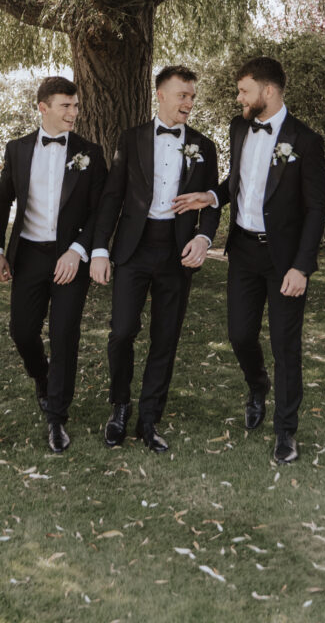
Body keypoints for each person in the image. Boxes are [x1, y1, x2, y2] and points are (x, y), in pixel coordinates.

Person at [173, 56, 325, 464]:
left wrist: (302, 266)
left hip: (283, 260)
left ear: (268, 91)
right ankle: (257, 385)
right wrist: (211, 196)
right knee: (240, 335)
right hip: (241, 250)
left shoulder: (305, 141)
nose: (238, 97)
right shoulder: (239, 127)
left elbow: (316, 210)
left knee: (285, 345)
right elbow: (235, 182)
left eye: (244, 90)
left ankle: (286, 432)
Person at [90, 66, 219, 453]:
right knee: (122, 332)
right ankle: (120, 406)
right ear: (160, 95)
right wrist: (100, 248)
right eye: (183, 95)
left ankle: (149, 418)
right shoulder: (130, 140)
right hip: (134, 246)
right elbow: (112, 196)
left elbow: (211, 201)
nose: (189, 103)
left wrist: (203, 236)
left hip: (176, 251)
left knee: (166, 337)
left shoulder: (204, 145)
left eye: (193, 96)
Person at [0, 77, 107, 453]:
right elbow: (2, 200)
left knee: (64, 334)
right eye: (65, 106)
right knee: (22, 331)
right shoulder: (18, 149)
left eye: (75, 106)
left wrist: (77, 250)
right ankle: (42, 377)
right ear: (43, 108)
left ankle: (57, 417)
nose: (74, 112)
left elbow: (101, 211)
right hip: (29, 254)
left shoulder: (91, 152)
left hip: (69, 254)